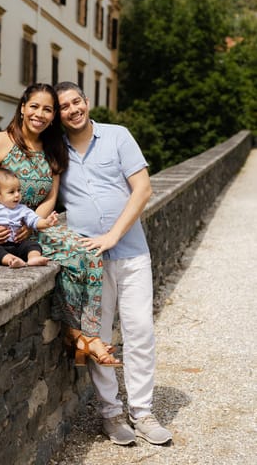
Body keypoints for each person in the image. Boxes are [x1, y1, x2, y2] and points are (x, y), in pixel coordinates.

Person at [0, 83, 120, 367]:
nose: (40, 114)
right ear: (23, 107)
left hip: (36, 227)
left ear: (53, 117)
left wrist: (34, 222)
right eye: (35, 107)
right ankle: (82, 337)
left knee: (88, 253)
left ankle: (83, 334)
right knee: (77, 256)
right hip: (3, 233)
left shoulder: (53, 147)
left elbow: (51, 196)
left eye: (48, 109)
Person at [54, 81, 172, 446]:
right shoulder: (54, 151)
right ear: (58, 115)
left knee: (140, 333)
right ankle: (111, 414)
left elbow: (143, 189)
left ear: (87, 103)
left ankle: (143, 412)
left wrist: (113, 236)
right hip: (87, 262)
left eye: (77, 102)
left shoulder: (118, 136)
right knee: (98, 338)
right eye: (64, 106)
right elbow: (46, 200)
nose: (73, 109)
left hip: (132, 251)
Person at [0, 167, 57, 268]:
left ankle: (33, 258)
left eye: (18, 190)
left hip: (18, 244)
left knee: (33, 245)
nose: (17, 195)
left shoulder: (22, 209)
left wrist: (46, 222)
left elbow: (34, 220)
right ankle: (11, 260)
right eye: (11, 192)